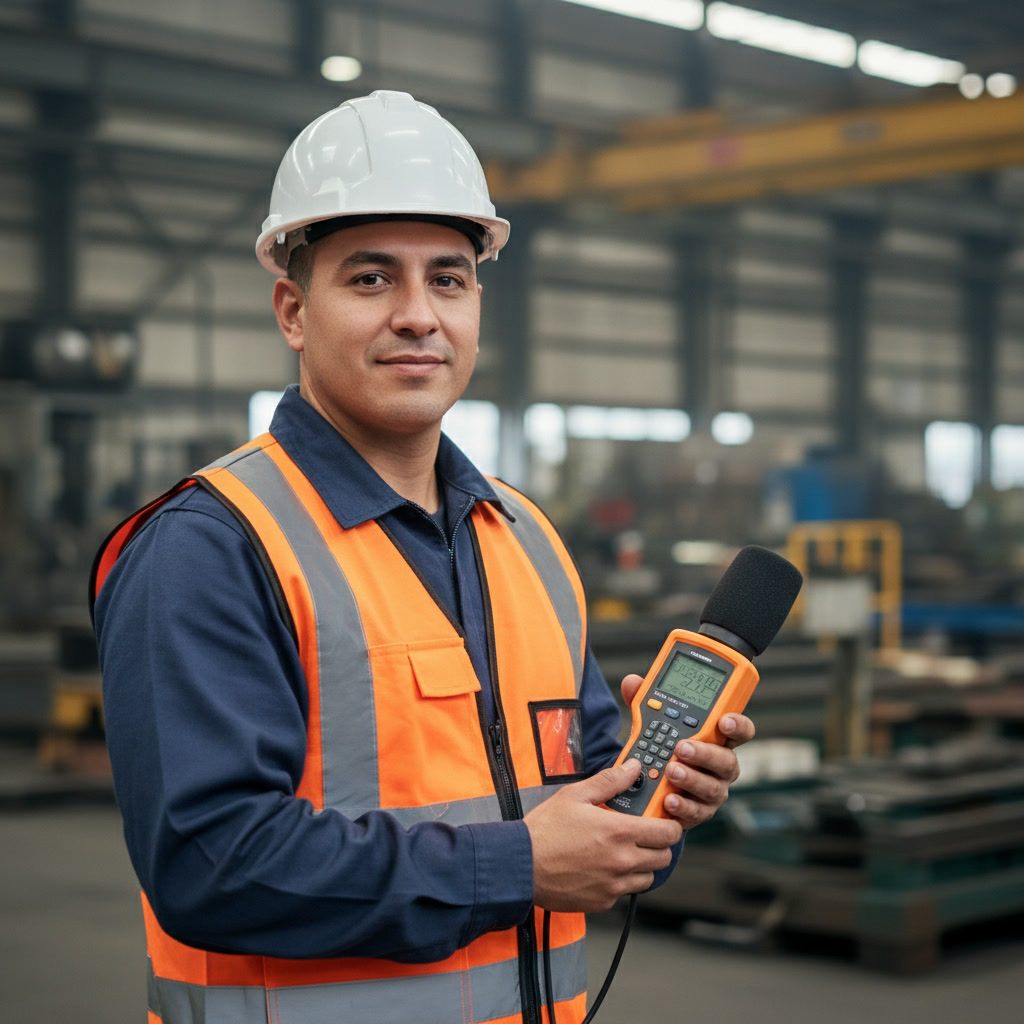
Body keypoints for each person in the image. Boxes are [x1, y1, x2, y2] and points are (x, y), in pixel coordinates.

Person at [91, 90, 754, 1024]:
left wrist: (657, 809)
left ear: (478, 302)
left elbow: (588, 800)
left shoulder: (525, 538)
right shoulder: (209, 546)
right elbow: (211, 862)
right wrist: (523, 862)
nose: (417, 315)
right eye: (370, 280)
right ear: (292, 310)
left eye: (447, 278)